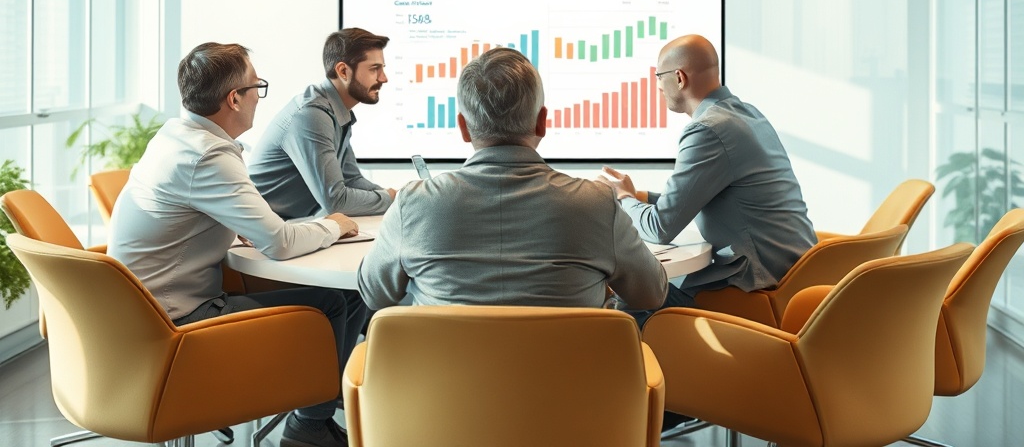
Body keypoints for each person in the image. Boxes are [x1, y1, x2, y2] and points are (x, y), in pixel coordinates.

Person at [108, 43, 366, 447]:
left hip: (132, 313)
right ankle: (310, 425)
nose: (258, 98)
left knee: (341, 298)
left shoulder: (176, 137)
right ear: (234, 99)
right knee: (336, 301)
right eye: (256, 88)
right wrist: (332, 226)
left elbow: (186, 215)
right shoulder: (208, 157)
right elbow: (279, 243)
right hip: (175, 321)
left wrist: (232, 225)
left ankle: (315, 404)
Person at [357, 47, 668, 311]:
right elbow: (652, 294)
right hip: (569, 382)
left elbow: (374, 295)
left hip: (443, 383)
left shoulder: (413, 203)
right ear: (542, 122)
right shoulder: (598, 203)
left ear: (463, 128)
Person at [600, 33, 816, 312]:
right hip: (794, 270)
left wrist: (623, 199)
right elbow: (706, 194)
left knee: (632, 298)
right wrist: (639, 195)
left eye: (658, 76)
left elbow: (659, 228)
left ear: (679, 78)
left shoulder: (707, 130)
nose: (657, 87)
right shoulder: (746, 114)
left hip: (759, 281)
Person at [249, 29, 396, 219]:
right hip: (264, 233)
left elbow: (351, 180)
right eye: (374, 69)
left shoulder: (337, 111)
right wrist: (390, 198)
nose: (384, 78)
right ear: (343, 71)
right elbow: (335, 201)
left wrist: (397, 198)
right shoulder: (312, 115)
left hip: (295, 225)